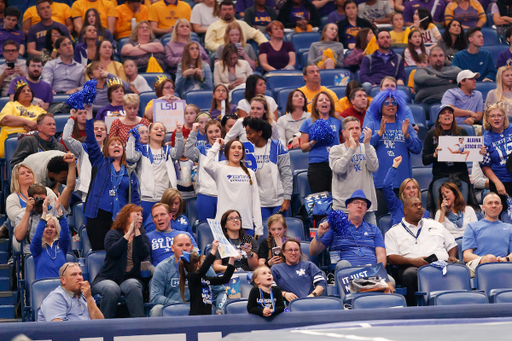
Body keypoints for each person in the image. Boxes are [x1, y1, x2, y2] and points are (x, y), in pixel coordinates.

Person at [83, 104, 141, 251]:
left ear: (123, 149)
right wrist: (89, 113)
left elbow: (135, 198)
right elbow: (90, 139)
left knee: (119, 253)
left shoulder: (129, 171)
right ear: (106, 149)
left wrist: (135, 218)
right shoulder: (99, 162)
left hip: (121, 219)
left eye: (119, 144)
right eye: (112, 144)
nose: (116, 146)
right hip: (97, 217)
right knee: (99, 253)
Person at [386, 197, 458, 306]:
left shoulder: (435, 225)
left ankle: (456, 307)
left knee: (460, 269)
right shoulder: (394, 232)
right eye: (414, 205)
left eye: (420, 205)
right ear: (405, 210)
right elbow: (392, 257)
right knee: (409, 275)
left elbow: (452, 245)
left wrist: (452, 256)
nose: (419, 207)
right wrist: (413, 261)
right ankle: (414, 311)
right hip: (412, 267)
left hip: (441, 264)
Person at [363, 90, 422, 219]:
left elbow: (417, 148)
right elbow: (363, 148)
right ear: (380, 106)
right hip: (379, 182)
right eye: (387, 103)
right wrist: (378, 134)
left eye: (394, 103)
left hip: (403, 184)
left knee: (405, 220)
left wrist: (407, 136)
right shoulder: (371, 125)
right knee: (380, 220)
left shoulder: (406, 126)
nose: (391, 105)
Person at [90, 204, 150, 319]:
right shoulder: (113, 234)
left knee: (133, 285)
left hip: (129, 279)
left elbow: (144, 254)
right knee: (112, 289)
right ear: (126, 217)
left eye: (141, 215)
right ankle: (104, 327)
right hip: (108, 278)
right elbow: (113, 251)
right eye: (137, 215)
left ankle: (141, 327)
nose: (141, 217)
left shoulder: (142, 237)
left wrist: (136, 232)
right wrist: (128, 234)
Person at [150, 233, 228, 316]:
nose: (184, 248)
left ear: (191, 247)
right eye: (180, 245)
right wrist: (177, 305)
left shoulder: (202, 266)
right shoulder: (162, 268)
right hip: (173, 312)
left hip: (199, 312)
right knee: (156, 309)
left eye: (187, 245)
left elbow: (220, 291)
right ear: (173, 248)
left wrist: (220, 308)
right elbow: (155, 296)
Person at [310, 189, 385, 273]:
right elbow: (313, 251)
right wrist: (319, 234)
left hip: (370, 273)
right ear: (348, 206)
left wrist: (379, 272)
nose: (360, 206)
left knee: (391, 282)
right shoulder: (336, 225)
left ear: (366, 209)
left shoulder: (374, 229)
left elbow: (381, 255)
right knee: (343, 264)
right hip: (345, 275)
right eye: (356, 203)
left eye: (363, 204)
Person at [422, 104, 478, 214]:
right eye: (443, 113)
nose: (447, 114)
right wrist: (434, 154)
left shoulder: (461, 132)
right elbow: (424, 160)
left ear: (453, 116)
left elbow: (471, 152)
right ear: (438, 118)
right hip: (441, 176)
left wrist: (479, 151)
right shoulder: (431, 134)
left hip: (460, 176)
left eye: (449, 112)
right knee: (440, 210)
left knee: (463, 210)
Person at [126, 120, 183, 222]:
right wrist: (131, 138)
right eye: (156, 129)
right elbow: (130, 158)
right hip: (145, 197)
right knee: (145, 228)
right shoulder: (142, 150)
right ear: (149, 133)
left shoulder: (167, 150)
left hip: (164, 198)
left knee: (163, 227)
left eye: (162, 130)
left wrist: (179, 133)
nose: (159, 131)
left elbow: (178, 154)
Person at [205, 137, 263, 236]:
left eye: (240, 148)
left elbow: (255, 202)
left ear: (243, 153)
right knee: (226, 252)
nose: (237, 150)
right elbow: (206, 164)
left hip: (245, 225)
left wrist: (258, 227)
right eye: (233, 147)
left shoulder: (250, 173)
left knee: (246, 251)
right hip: (224, 226)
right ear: (227, 152)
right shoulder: (220, 170)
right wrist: (216, 146)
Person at [329, 117, 378, 223]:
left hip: (366, 206)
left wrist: (367, 144)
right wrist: (351, 149)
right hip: (343, 207)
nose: (355, 131)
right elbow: (339, 169)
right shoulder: (336, 150)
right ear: (343, 132)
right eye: (351, 128)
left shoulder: (368, 148)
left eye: (357, 128)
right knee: (343, 239)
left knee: (371, 238)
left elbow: (374, 167)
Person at [243, 117, 292, 218]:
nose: (247, 136)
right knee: (263, 232)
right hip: (258, 201)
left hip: (279, 201)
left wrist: (287, 199)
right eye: (246, 133)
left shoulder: (277, 147)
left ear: (260, 133)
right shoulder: (246, 150)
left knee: (278, 231)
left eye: (250, 133)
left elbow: (286, 174)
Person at [300, 91, 342, 193]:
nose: (324, 102)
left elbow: (346, 142)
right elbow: (303, 148)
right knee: (321, 201)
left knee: (336, 199)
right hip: (317, 165)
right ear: (316, 106)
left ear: (331, 106)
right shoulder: (307, 122)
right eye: (321, 100)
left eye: (327, 100)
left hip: (336, 164)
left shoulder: (339, 121)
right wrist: (314, 141)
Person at [462, 193, 512, 278]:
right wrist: (487, 260)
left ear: (501, 207)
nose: (493, 205)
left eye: (496, 203)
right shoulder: (472, 226)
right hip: (477, 265)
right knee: (490, 259)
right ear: (483, 208)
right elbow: (467, 255)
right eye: (490, 203)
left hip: (504, 264)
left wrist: (505, 259)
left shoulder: (509, 227)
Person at [180, 240, 235, 315]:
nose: (204, 262)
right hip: (195, 318)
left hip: (207, 316)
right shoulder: (191, 277)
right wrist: (213, 250)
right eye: (203, 260)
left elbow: (224, 279)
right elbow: (203, 270)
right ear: (199, 263)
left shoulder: (204, 279)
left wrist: (231, 262)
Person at [63, 111, 108, 202]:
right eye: (95, 128)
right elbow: (66, 138)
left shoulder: (111, 150)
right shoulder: (83, 148)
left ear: (106, 134)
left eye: (102, 129)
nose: (99, 130)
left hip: (107, 192)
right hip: (88, 191)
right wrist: (72, 118)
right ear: (90, 132)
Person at [184, 120, 223, 221]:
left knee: (224, 229)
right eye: (210, 132)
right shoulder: (201, 149)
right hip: (205, 194)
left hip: (224, 195)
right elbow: (188, 153)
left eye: (217, 131)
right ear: (206, 133)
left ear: (221, 131)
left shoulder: (228, 150)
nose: (214, 135)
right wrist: (193, 132)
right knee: (206, 228)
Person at [37, 262, 104, 321]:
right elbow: (58, 331)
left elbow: (101, 325)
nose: (79, 278)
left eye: (80, 274)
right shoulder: (56, 298)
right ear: (63, 280)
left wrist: (89, 298)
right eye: (74, 275)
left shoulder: (86, 295)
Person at [14, 183, 61, 255]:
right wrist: (28, 211)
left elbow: (63, 234)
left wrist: (46, 211)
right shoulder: (23, 216)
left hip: (54, 252)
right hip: (32, 254)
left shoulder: (54, 210)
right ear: (31, 199)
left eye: (43, 199)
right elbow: (19, 237)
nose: (41, 202)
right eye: (39, 199)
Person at [30, 195, 69, 280]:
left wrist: (59, 211)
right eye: (46, 226)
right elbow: (37, 237)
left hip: (61, 287)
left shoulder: (61, 246)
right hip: (43, 289)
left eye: (52, 226)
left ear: (56, 230)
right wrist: (44, 213)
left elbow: (65, 233)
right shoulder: (37, 249)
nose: (49, 229)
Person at [147, 203, 197, 267]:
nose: (159, 218)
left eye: (162, 214)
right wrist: (158, 273)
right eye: (156, 216)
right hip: (160, 274)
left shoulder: (185, 235)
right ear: (153, 220)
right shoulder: (148, 237)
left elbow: (197, 256)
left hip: (184, 271)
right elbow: (145, 262)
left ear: (170, 216)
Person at [0, 81, 45, 153]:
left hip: (35, 139)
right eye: (23, 91)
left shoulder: (39, 109)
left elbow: (46, 124)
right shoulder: (11, 105)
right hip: (13, 138)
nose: (26, 92)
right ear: (17, 95)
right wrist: (28, 122)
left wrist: (33, 127)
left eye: (28, 90)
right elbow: (6, 119)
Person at [481, 104, 512, 203]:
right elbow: (485, 166)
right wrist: (498, 183)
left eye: (499, 115)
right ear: (487, 119)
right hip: (500, 181)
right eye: (493, 116)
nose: (496, 118)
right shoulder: (485, 140)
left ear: (504, 117)